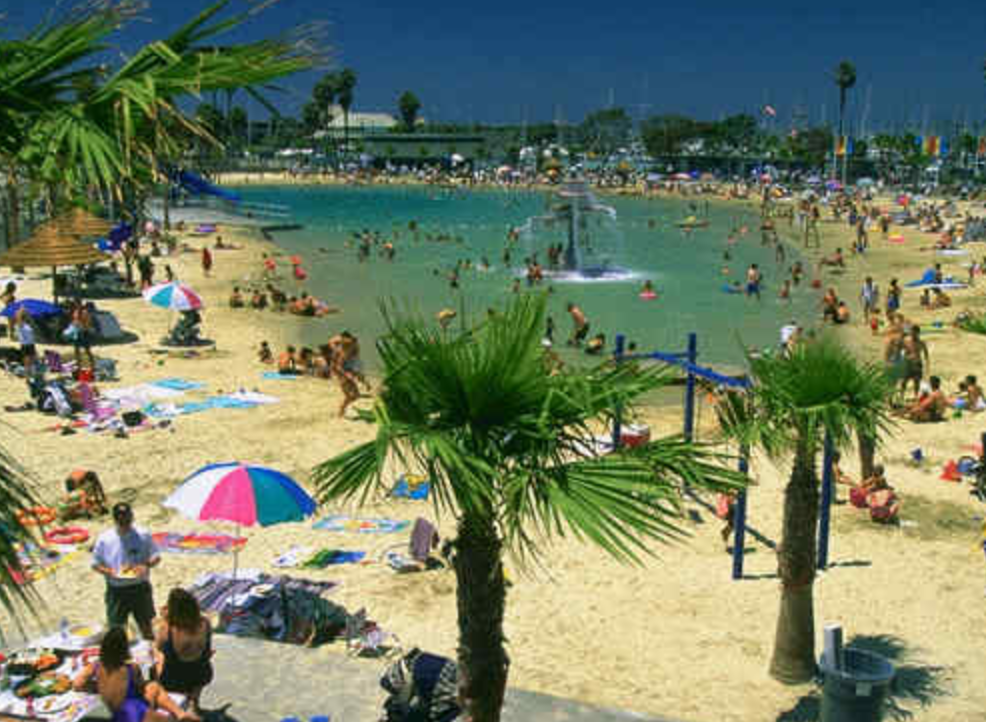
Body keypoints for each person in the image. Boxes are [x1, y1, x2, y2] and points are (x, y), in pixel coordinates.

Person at [73, 626, 196, 722]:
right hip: (135, 712)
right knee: (153, 687)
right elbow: (140, 686)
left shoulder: (95, 665)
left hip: (118, 712)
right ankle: (180, 713)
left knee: (152, 687)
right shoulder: (131, 668)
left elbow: (77, 684)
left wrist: (98, 687)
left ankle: (180, 714)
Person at [91, 502, 160, 640]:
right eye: (121, 519)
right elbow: (95, 564)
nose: (124, 522)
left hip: (140, 587)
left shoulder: (143, 535)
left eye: (127, 518)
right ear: (115, 519)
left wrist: (146, 565)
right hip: (116, 590)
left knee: (147, 626)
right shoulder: (105, 539)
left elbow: (156, 557)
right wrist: (108, 571)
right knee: (117, 630)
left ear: (132, 517)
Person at [153, 588, 214, 715]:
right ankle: (194, 704)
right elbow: (207, 648)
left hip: (175, 677)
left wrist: (163, 619)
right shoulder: (205, 622)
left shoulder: (168, 627)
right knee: (197, 675)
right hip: (201, 672)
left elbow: (158, 647)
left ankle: (180, 711)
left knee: (155, 667)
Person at [900, 326, 929, 399]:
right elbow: (901, 351)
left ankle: (915, 396)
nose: (913, 334)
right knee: (904, 381)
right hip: (908, 364)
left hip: (917, 364)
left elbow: (926, 354)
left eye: (915, 333)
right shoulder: (906, 341)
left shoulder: (922, 343)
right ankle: (901, 396)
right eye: (912, 332)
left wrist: (927, 366)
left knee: (916, 382)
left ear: (918, 333)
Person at [72, 301, 96, 369]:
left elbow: (79, 322)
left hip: (81, 332)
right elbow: (77, 322)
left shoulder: (82, 312)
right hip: (82, 332)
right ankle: (88, 363)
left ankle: (80, 363)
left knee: (80, 349)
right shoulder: (79, 312)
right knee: (84, 349)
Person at [14, 307, 36, 375]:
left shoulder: (27, 325)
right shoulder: (20, 325)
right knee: (27, 363)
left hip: (31, 344)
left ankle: (31, 375)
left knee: (31, 362)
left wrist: (26, 313)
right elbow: (18, 318)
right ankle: (27, 376)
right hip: (25, 345)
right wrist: (20, 311)